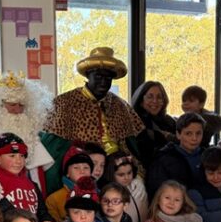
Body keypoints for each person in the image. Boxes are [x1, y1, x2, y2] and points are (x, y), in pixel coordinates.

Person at [41, 47, 144, 195]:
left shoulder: (120, 105)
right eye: (99, 76)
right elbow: (54, 146)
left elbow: (131, 143)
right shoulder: (65, 102)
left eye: (108, 78)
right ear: (88, 75)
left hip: (115, 168)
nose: (103, 82)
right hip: (82, 167)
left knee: (137, 186)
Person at [0, 70, 55, 195]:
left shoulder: (27, 130)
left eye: (21, 105)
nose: (17, 110)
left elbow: (36, 171)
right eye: (12, 104)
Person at [0, 133, 54, 222]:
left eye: (22, 156)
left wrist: (46, 220)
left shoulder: (32, 184)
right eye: (12, 156)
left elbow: (41, 210)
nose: (19, 161)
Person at [145, 112, 205, 198]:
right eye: (188, 133)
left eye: (198, 133)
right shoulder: (163, 159)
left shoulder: (208, 156)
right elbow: (156, 191)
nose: (194, 138)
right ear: (178, 134)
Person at [131, 81, 178, 171]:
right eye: (150, 97)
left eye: (159, 97)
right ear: (141, 100)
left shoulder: (170, 122)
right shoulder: (134, 122)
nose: (155, 101)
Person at [45, 145, 93, 222]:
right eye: (76, 167)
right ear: (67, 173)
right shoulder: (53, 199)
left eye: (86, 167)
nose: (82, 171)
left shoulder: (99, 194)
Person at [102, 151, 148, 222]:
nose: (126, 177)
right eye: (121, 175)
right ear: (111, 174)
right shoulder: (107, 193)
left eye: (129, 173)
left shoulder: (137, 186)